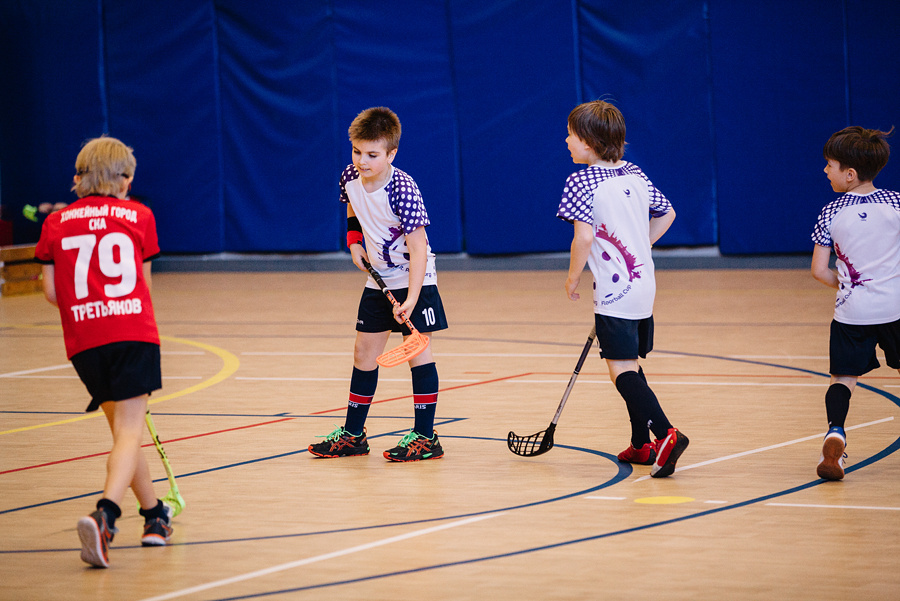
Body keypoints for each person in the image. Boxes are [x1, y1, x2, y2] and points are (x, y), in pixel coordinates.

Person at [34, 136, 172, 568]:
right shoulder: (139, 215)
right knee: (130, 434)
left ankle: (154, 517)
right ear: (123, 178)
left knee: (124, 436)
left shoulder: (55, 223)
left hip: (85, 344)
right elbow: (143, 287)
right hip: (132, 333)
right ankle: (107, 515)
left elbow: (54, 293)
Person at [308, 107, 449, 462]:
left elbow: (419, 247)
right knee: (363, 353)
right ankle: (354, 435)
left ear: (391, 154)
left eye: (372, 154)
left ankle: (425, 437)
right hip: (379, 279)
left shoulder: (402, 188)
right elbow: (353, 209)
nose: (362, 161)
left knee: (418, 355)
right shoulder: (349, 177)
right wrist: (354, 241)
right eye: (357, 151)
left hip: (415, 278)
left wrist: (412, 299)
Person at [556, 100, 688, 478]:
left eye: (571, 135)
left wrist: (571, 277)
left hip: (614, 292)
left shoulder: (580, 181)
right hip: (644, 285)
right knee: (630, 363)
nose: (566, 141)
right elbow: (668, 213)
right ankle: (641, 444)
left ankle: (665, 432)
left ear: (589, 142)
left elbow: (582, 238)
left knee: (621, 371)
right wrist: (642, 246)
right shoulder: (634, 172)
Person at [810, 126, 900, 481]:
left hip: (851, 311)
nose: (825, 171)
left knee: (842, 379)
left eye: (829, 165)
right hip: (895, 308)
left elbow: (819, 270)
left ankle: (836, 433)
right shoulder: (896, 203)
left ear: (849, 174)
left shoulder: (830, 211)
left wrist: (845, 284)